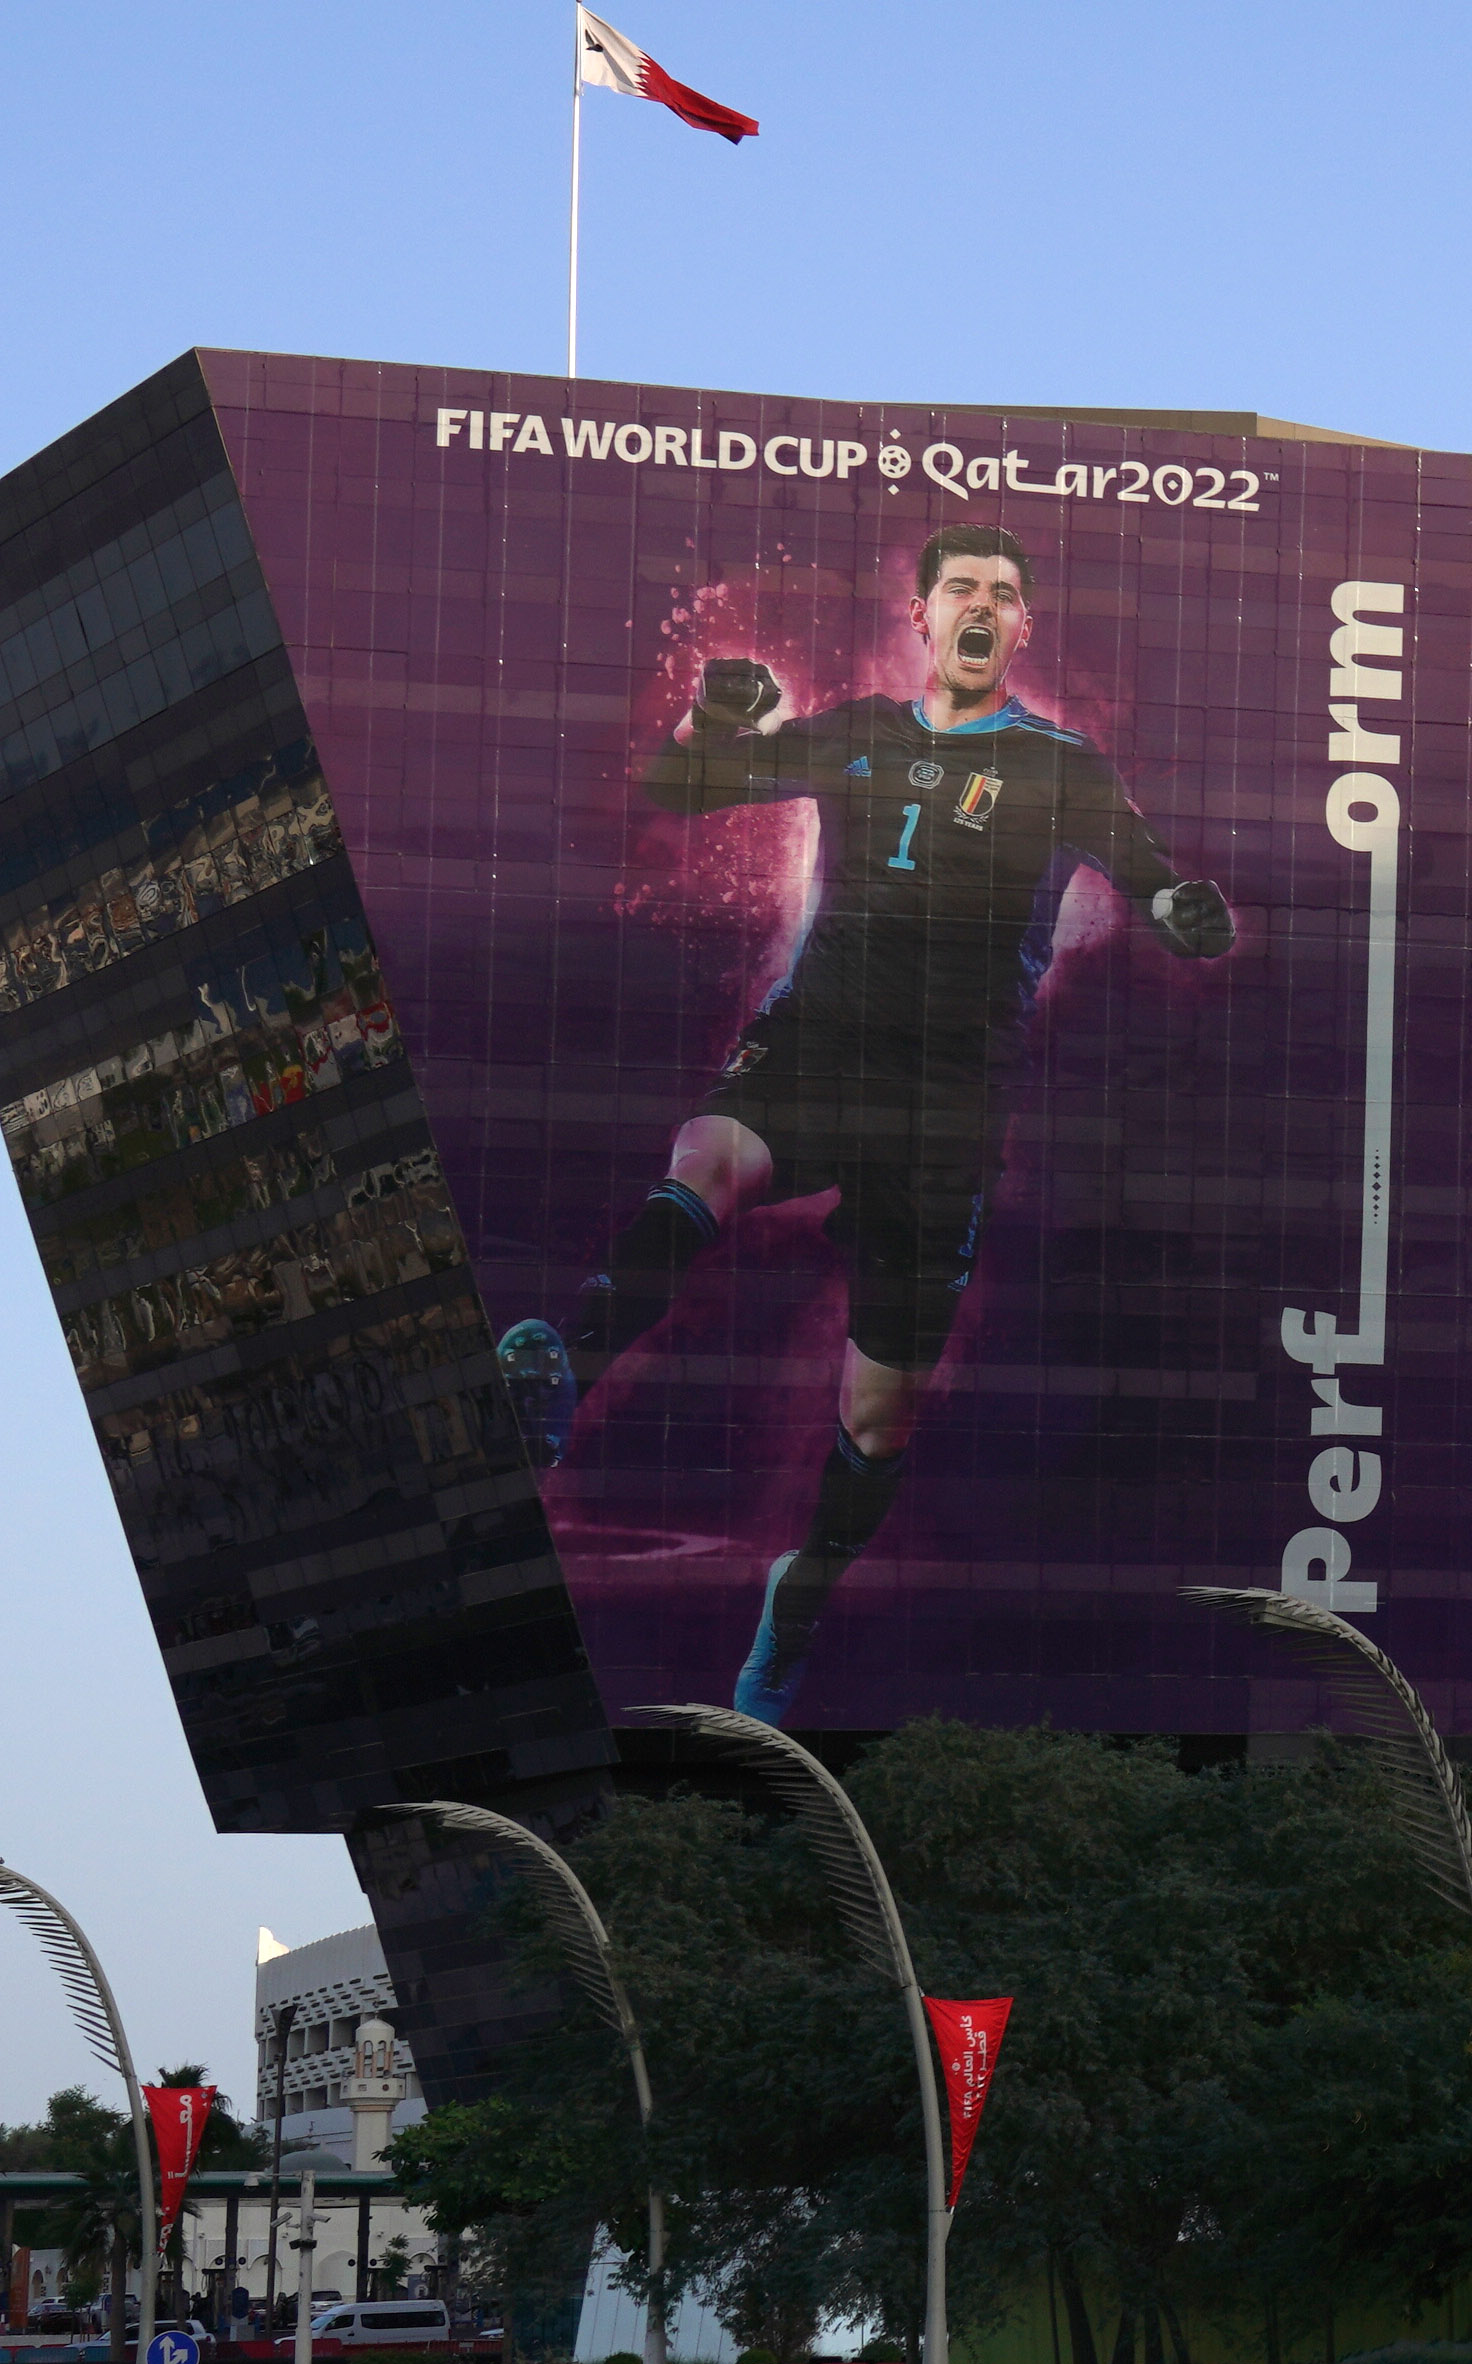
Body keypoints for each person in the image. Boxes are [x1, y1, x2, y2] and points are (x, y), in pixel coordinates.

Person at [495, 524, 1234, 1721]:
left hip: (947, 1104)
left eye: (1003, 593)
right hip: (821, 1041)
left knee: (877, 1417)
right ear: (926, 616)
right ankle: (558, 1373)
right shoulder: (857, 735)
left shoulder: (1064, 768)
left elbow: (1151, 879)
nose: (981, 606)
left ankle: (801, 1595)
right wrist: (709, 723)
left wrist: (1183, 912)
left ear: (1022, 628)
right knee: (709, 1156)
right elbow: (680, 788)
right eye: (962, 589)